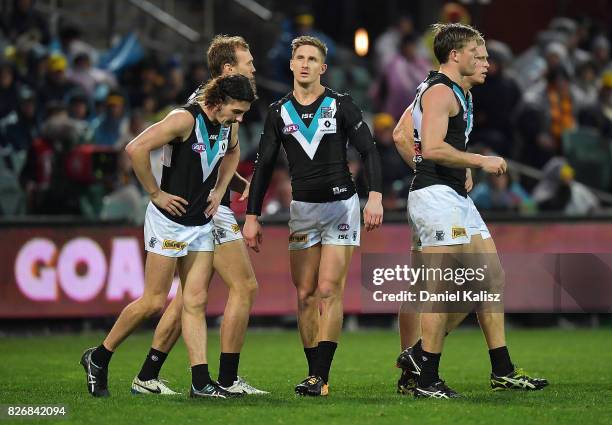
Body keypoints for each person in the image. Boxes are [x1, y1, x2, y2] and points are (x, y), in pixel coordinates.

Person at [79, 73, 256, 399]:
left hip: (201, 222)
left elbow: (232, 154)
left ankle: (200, 382)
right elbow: (135, 149)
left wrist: (219, 190)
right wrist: (155, 193)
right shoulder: (184, 119)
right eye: (236, 111)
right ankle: (99, 355)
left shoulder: (228, 124)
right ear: (219, 102)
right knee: (154, 302)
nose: (240, 119)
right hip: (168, 222)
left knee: (195, 301)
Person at [394, 23, 547, 399]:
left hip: (451, 196)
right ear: (455, 56)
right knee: (442, 290)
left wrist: (450, 169)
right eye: (478, 55)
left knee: (490, 279)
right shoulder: (441, 92)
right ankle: (427, 377)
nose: (486, 62)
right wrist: (475, 161)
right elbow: (429, 147)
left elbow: (401, 135)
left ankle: (500, 370)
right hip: (436, 199)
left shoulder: (450, 91)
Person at [243, 35, 384, 397]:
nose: (304, 64)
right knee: (305, 294)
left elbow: (369, 151)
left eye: (312, 59)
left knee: (327, 289)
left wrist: (375, 197)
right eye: (299, 58)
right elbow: (263, 166)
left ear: (323, 68)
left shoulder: (341, 105)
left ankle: (321, 375)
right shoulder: (277, 112)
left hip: (341, 206)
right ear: (291, 64)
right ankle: (314, 376)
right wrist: (252, 216)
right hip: (302, 211)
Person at [129, 35, 266, 396]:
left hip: (209, 202)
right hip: (202, 210)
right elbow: (189, 156)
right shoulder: (202, 110)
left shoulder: (225, 107)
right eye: (247, 62)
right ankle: (224, 379)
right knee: (239, 287)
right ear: (228, 70)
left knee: (191, 298)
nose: (254, 68)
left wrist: (229, 183)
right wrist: (164, 193)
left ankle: (149, 373)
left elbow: (220, 154)